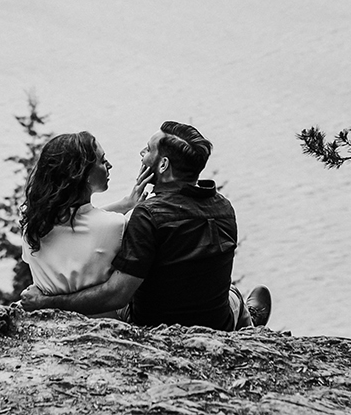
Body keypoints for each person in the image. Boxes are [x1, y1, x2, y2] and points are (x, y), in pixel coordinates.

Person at [20, 121, 271, 330]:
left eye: (148, 149)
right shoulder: (224, 207)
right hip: (217, 321)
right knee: (229, 291)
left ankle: (248, 326)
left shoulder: (147, 216)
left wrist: (45, 303)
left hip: (154, 323)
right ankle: (249, 328)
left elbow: (118, 293)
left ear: (162, 165)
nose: (141, 154)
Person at [21, 131, 150, 299]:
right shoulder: (116, 226)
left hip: (46, 319)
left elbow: (76, 223)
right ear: (84, 174)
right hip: (100, 321)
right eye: (102, 161)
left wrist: (126, 203)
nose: (109, 165)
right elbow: (93, 224)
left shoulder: (32, 223)